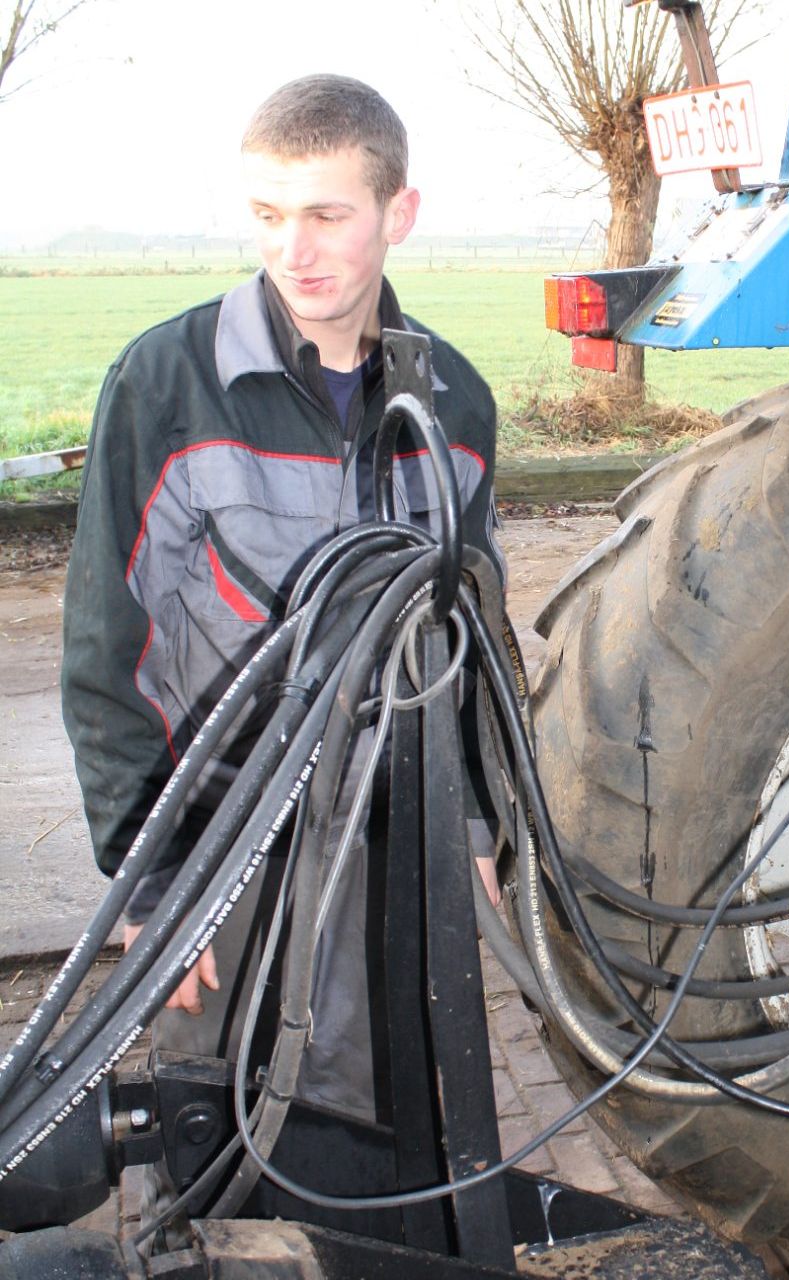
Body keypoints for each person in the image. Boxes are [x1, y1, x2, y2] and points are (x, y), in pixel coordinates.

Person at [61, 75, 504, 1117]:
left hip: (390, 853)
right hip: (219, 856)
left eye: (324, 215)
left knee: (383, 1147)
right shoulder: (169, 385)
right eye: (267, 215)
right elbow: (105, 653)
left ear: (399, 214)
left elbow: (468, 635)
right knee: (221, 1151)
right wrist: (154, 886)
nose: (291, 250)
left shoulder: (456, 404)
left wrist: (474, 821)